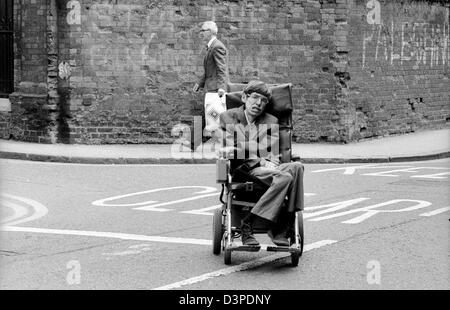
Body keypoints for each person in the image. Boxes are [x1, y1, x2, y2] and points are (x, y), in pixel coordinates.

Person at [219, 80, 304, 247]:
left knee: (297, 168)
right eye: (255, 98)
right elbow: (231, 149)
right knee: (284, 178)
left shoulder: (271, 120)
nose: (258, 103)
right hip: (244, 170)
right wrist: (261, 160)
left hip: (267, 168)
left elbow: (272, 150)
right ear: (244, 97)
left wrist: (271, 161)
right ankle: (249, 224)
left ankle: (283, 225)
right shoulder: (228, 117)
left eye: (264, 100)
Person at [192, 21, 229, 151]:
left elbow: (221, 68)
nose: (201, 33)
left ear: (210, 32)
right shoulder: (211, 47)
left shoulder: (217, 47)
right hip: (211, 87)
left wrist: (222, 87)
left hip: (215, 89)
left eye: (203, 30)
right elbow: (210, 70)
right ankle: (196, 142)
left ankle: (195, 142)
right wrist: (200, 83)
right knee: (210, 116)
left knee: (213, 117)